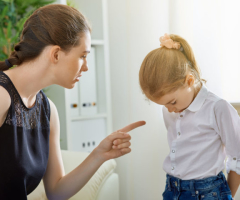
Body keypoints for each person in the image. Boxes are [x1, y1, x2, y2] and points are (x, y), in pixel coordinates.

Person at [0, 4, 146, 200]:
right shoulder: (2, 97)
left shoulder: (48, 111)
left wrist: (98, 155)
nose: (86, 67)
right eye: (83, 56)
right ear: (56, 54)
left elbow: (56, 192)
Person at [139, 33, 240, 200]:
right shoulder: (170, 111)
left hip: (208, 192)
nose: (169, 110)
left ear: (189, 81)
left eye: (173, 102)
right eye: (164, 105)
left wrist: (227, 196)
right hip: (172, 188)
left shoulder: (217, 108)